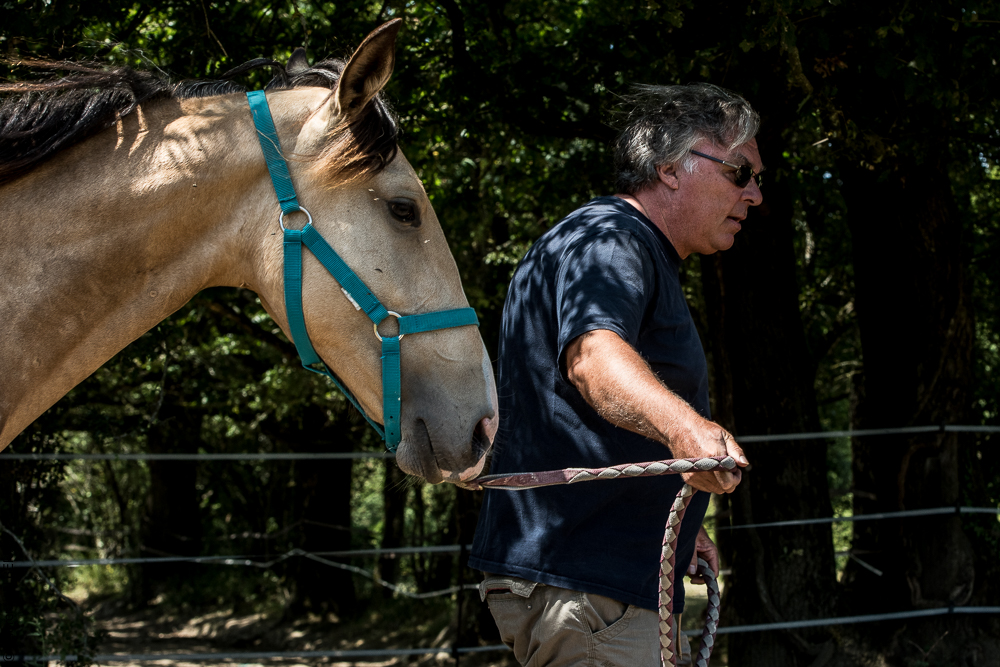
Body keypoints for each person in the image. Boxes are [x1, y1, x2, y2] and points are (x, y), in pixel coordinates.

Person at [469, 82, 762, 666]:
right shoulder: (613, 238)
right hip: (592, 595)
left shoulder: (606, 241)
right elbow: (593, 357)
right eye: (740, 172)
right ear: (670, 168)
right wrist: (687, 432)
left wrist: (676, 528)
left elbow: (574, 420)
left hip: (596, 588)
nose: (754, 194)